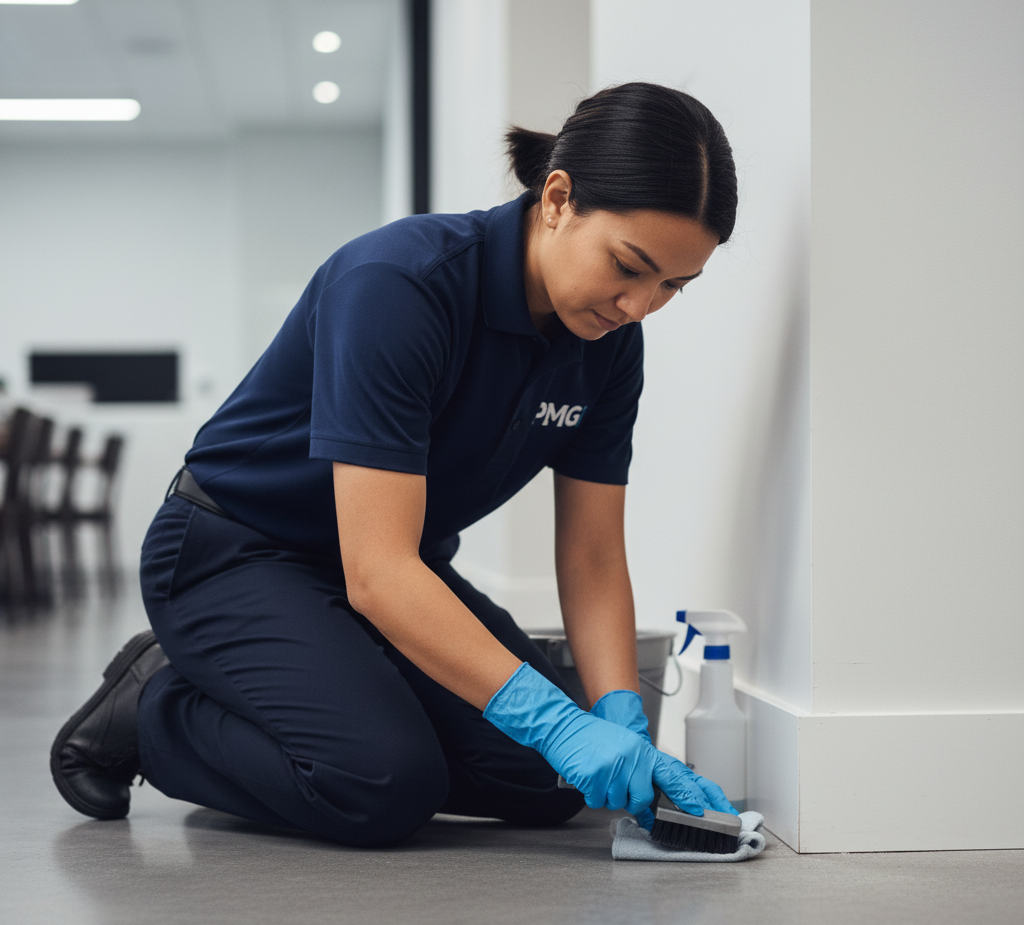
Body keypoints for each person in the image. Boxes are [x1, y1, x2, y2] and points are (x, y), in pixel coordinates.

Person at [51, 82, 740, 846]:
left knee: (550, 780)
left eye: (673, 285)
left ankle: (336, 700)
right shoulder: (402, 285)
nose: (639, 306)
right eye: (628, 265)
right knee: (380, 783)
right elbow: (375, 572)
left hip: (388, 570)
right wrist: (553, 720)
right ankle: (155, 708)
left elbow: (592, 551)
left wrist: (619, 717)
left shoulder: (610, 348)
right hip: (235, 552)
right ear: (556, 198)